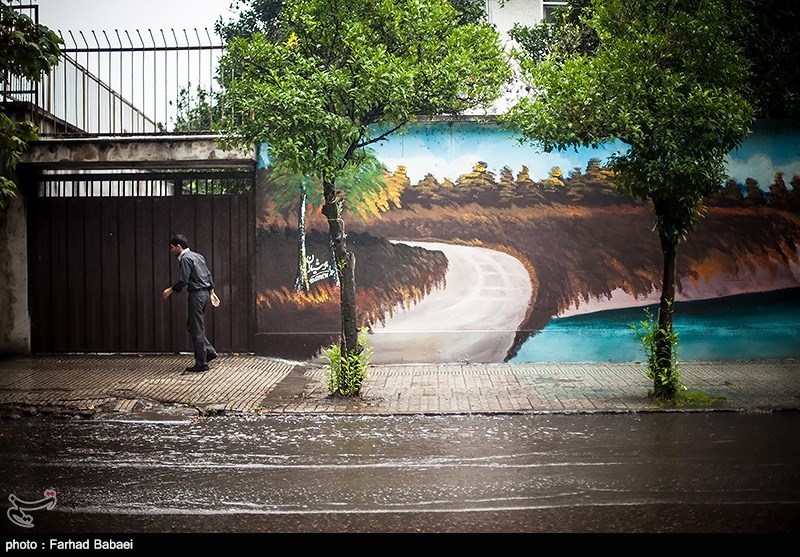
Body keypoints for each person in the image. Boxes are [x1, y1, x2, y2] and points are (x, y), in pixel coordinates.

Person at [162, 234, 221, 372]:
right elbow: (208, 274)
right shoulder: (198, 256)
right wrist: (211, 293)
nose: (171, 251)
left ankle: (201, 363)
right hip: (205, 294)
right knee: (192, 325)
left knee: (196, 327)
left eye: (172, 248)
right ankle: (209, 351)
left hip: (197, 294)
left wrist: (170, 290)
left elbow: (183, 279)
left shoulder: (185, 259)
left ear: (179, 246)